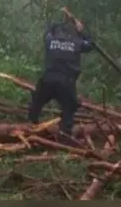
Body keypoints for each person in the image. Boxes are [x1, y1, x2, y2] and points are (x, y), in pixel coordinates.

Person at [28, 11, 94, 144]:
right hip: (66, 82)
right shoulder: (77, 42)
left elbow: (46, 32)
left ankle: (30, 126)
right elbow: (90, 45)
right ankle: (65, 136)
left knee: (36, 102)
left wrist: (58, 22)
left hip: (48, 80)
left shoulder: (50, 40)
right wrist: (80, 31)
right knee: (68, 108)